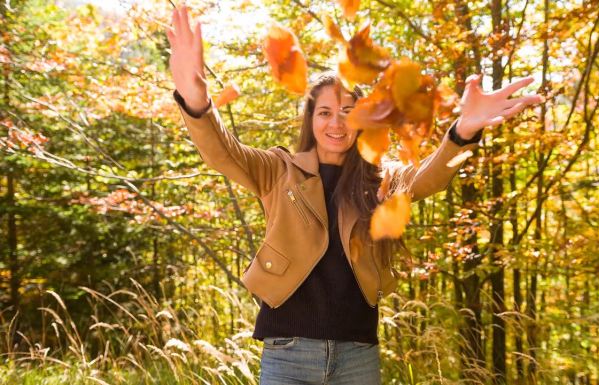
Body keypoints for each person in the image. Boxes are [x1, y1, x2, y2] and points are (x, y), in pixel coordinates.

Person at [166, 5, 542, 384]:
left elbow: (429, 179)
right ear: (311, 121)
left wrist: (462, 132)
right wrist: (195, 100)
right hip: (288, 353)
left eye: (348, 111)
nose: (336, 122)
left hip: (357, 355)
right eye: (325, 112)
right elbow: (222, 153)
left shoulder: (381, 178)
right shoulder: (278, 170)